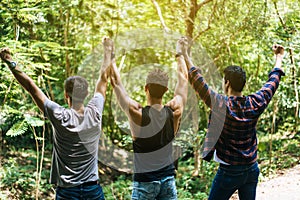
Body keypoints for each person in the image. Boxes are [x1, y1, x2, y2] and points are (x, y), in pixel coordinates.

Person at [0, 37, 113, 200]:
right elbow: (103, 79)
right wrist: (108, 51)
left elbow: (32, 87)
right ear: (87, 94)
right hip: (92, 190)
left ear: (66, 95)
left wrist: (9, 60)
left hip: (67, 192)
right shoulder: (94, 113)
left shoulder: (59, 115)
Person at [179, 39, 285, 200]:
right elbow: (273, 82)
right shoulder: (255, 102)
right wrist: (279, 57)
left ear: (227, 83)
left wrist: (184, 53)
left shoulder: (221, 104)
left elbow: (197, 79)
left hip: (229, 171)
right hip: (251, 169)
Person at [109, 37, 188, 200]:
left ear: (146, 88)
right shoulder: (175, 112)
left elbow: (115, 82)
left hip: (144, 184)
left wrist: (109, 54)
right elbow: (184, 79)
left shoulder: (137, 114)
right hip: (167, 181)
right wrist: (180, 52)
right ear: (166, 90)